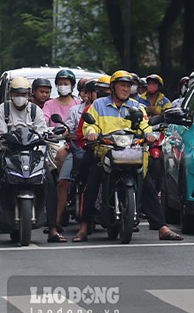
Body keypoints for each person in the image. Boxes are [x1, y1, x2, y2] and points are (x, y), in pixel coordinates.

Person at [77, 70, 182, 242]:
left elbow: (145, 125)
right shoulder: (98, 105)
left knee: (147, 184)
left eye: (128, 86)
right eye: (122, 86)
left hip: (131, 153)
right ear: (113, 87)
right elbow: (90, 125)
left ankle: (162, 227)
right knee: (92, 184)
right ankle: (83, 227)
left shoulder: (137, 106)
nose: (126, 89)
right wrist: (91, 133)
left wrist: (149, 135)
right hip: (106, 152)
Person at [43, 70, 81, 243]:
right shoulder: (50, 104)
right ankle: (56, 219)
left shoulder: (78, 105)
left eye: (66, 83)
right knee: (58, 179)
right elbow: (43, 123)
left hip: (76, 144)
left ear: (72, 86)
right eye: (60, 83)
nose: (63, 86)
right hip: (56, 142)